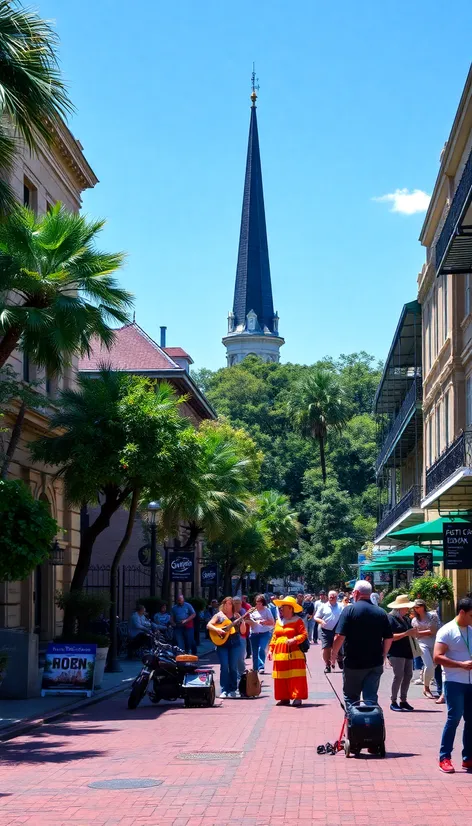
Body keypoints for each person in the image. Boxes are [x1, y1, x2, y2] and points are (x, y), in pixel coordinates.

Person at [331, 580, 393, 707]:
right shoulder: (381, 612)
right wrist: (384, 655)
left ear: (357, 593)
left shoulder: (349, 611)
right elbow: (388, 638)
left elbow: (339, 636)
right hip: (375, 662)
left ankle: (354, 725)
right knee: (371, 698)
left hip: (354, 663)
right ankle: (370, 724)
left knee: (351, 698)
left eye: (353, 592)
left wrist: (333, 656)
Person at [434, 596, 472, 774]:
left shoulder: (471, 630)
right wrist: (461, 664)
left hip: (471, 683)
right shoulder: (447, 630)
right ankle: (444, 757)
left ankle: (468, 757)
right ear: (462, 612)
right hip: (454, 681)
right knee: (454, 718)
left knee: (471, 721)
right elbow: (437, 657)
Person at [268, 595, 308, 707]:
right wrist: (271, 650)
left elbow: (304, 634)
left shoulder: (298, 621)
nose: (281, 609)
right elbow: (274, 636)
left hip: (294, 654)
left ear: (290, 608)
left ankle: (297, 697)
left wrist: (294, 639)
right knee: (281, 677)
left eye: (283, 607)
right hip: (280, 654)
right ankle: (284, 697)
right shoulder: (279, 621)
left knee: (295, 676)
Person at [207, 596, 246, 699]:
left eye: (229, 604)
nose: (226, 606)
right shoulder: (219, 616)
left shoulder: (236, 615)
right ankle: (224, 689)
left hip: (235, 644)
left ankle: (233, 689)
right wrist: (217, 630)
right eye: (225, 603)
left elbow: (243, 631)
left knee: (233, 667)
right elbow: (209, 625)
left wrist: (242, 622)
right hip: (222, 645)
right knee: (224, 666)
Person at [386, 594, 418, 712]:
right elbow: (389, 637)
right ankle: (393, 701)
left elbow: (410, 633)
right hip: (395, 652)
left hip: (407, 651)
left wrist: (413, 632)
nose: (407, 610)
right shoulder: (390, 618)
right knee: (398, 675)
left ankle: (403, 700)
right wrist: (406, 633)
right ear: (399, 608)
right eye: (405, 607)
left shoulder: (405, 619)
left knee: (408, 675)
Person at [411, 599, 442, 700]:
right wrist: (424, 632)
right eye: (415, 607)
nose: (417, 609)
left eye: (419, 606)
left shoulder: (433, 615)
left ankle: (428, 684)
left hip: (434, 643)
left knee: (432, 666)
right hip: (422, 643)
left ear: (423, 606)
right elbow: (415, 634)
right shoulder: (414, 620)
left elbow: (433, 631)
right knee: (429, 666)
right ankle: (426, 688)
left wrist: (420, 633)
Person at [315, 590, 341, 672]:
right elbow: (316, 617)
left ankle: (340, 659)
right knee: (326, 648)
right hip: (325, 630)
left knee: (338, 647)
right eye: (331, 597)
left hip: (337, 630)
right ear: (328, 597)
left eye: (334, 597)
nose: (332, 598)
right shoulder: (323, 606)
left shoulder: (341, 606)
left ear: (337, 598)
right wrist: (321, 621)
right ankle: (327, 665)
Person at [248, 594, 275, 674]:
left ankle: (261, 667)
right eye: (257, 602)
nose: (258, 604)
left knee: (261, 649)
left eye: (260, 603)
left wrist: (264, 622)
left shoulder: (267, 610)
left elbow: (272, 622)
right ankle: (255, 668)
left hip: (264, 633)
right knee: (255, 651)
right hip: (254, 633)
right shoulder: (252, 610)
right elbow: (248, 620)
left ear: (263, 603)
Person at [232, 596, 248, 682]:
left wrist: (240, 619)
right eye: (235, 603)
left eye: (239, 603)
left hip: (240, 637)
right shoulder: (228, 612)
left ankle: (242, 678)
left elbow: (243, 628)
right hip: (230, 638)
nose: (237, 605)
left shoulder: (243, 611)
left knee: (240, 658)